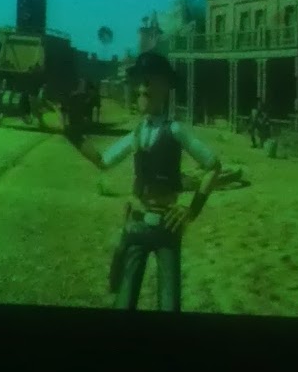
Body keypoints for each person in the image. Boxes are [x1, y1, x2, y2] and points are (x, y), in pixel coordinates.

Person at [68, 51, 222, 312]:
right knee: (125, 298)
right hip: (137, 222)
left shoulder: (175, 130)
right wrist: (72, 133)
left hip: (167, 226)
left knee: (169, 302)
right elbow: (103, 161)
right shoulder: (136, 134)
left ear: (166, 87)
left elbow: (213, 166)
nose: (142, 88)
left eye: (149, 82)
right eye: (140, 82)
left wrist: (191, 210)